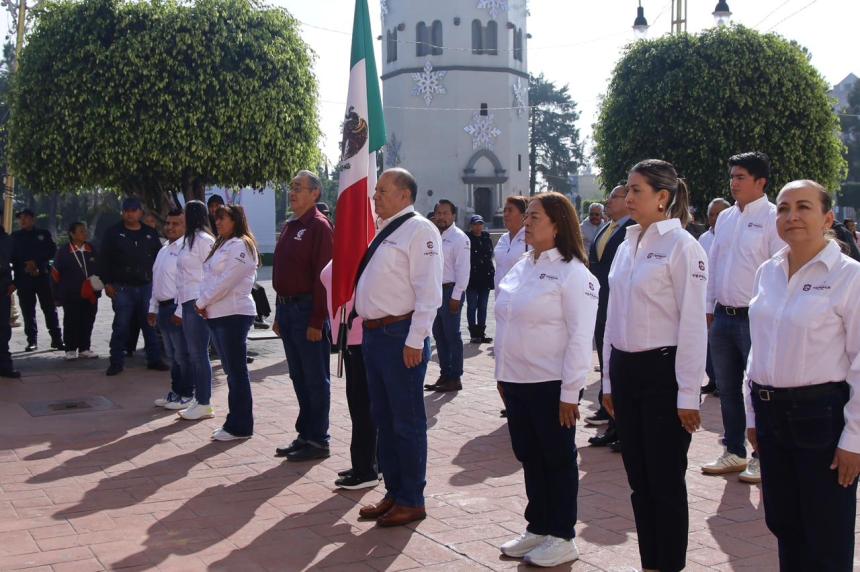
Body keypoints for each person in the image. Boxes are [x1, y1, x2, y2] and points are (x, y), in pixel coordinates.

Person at [744, 180, 860, 572]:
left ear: (827, 217)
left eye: (803, 207)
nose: (791, 216)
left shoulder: (850, 277)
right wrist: (751, 416)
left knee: (825, 533)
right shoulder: (767, 272)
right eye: (782, 208)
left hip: (821, 420)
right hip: (771, 416)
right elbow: (757, 348)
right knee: (785, 525)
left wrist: (854, 439)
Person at [602, 159, 708, 572]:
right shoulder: (627, 244)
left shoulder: (684, 247)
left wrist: (688, 393)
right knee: (639, 480)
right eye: (627, 190)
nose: (627, 198)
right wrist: (609, 380)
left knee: (664, 480)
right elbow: (613, 317)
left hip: (663, 374)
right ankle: (651, 563)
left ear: (663, 197)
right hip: (627, 372)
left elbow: (693, 324)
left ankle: (669, 565)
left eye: (636, 190)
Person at [495, 192, 598, 567]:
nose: (527, 224)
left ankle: (562, 534)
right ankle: (538, 527)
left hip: (551, 383)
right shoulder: (522, 266)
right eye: (527, 218)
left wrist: (571, 392)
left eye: (535, 218)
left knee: (556, 458)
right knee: (529, 454)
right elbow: (505, 323)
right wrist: (501, 375)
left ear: (558, 225)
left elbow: (579, 338)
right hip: (517, 381)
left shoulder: (573, 274)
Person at [354, 168, 442, 528]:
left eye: (382, 190)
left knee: (406, 421)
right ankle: (394, 492)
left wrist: (415, 338)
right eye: (376, 190)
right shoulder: (386, 229)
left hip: (400, 335)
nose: (375, 196)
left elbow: (429, 291)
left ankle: (412, 499)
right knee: (384, 419)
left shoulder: (420, 230)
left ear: (405, 195)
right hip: (375, 336)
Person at [703, 152, 785, 484]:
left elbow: (780, 270)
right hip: (723, 316)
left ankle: (761, 455)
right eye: (732, 177)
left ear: (760, 182)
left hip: (756, 318)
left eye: (740, 177)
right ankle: (734, 450)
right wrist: (709, 306)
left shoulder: (772, 217)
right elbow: (715, 264)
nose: (734, 183)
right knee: (727, 387)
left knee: (758, 387)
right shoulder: (725, 219)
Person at [272, 170, 334, 462]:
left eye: (299, 188)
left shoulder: (319, 227)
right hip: (287, 309)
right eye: (291, 187)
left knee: (314, 377)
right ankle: (305, 433)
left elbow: (324, 279)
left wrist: (317, 320)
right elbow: (281, 272)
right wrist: (277, 312)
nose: (292, 192)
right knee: (298, 376)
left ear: (315, 193)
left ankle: (319, 439)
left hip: (307, 309)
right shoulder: (290, 225)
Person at [198, 205, 259, 441]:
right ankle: (234, 421)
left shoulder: (241, 244)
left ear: (236, 220)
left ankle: (241, 425)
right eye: (216, 219)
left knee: (236, 373)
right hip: (217, 313)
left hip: (234, 313)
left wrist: (202, 301)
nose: (218, 223)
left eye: (222, 218)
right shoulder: (222, 243)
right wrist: (204, 304)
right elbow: (209, 277)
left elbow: (227, 280)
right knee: (231, 372)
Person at [321, 261, 378, 490]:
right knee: (360, 404)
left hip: (359, 335)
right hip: (348, 336)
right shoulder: (345, 249)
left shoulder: (361, 247)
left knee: (362, 405)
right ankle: (370, 462)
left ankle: (365, 469)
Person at [585, 184, 634, 449]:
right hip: (600, 304)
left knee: (615, 366)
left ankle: (619, 428)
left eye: (614, 196)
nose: (609, 201)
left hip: (617, 305)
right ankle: (609, 412)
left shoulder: (632, 230)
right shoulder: (607, 227)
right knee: (606, 364)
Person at [100, 198, 168, 376]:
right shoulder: (113, 233)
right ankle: (116, 362)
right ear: (123, 212)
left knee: (150, 324)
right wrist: (107, 283)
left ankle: (154, 359)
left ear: (140, 212)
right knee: (121, 326)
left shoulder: (150, 233)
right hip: (123, 288)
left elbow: (159, 259)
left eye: (133, 210)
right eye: (127, 210)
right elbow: (103, 260)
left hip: (146, 286)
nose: (130, 213)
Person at [172, 201, 216, 421]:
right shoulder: (188, 241)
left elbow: (213, 272)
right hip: (188, 301)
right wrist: (180, 307)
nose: (182, 220)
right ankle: (199, 399)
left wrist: (205, 302)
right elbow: (181, 277)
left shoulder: (205, 240)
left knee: (199, 353)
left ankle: (205, 402)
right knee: (193, 353)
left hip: (199, 302)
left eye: (184, 216)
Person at [148, 208, 194, 410]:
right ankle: (175, 392)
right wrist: (153, 308)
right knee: (172, 355)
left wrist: (180, 312)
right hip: (164, 309)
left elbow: (188, 284)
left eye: (176, 223)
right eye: (168, 223)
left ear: (186, 226)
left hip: (178, 308)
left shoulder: (187, 250)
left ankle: (187, 394)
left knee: (183, 355)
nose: (170, 227)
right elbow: (156, 282)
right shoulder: (164, 249)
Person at [426, 199, 470, 393]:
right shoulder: (433, 235)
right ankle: (445, 374)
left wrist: (456, 296)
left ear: (453, 216)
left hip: (451, 292)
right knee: (439, 335)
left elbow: (463, 270)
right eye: (439, 213)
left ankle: (455, 377)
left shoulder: (460, 238)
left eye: (445, 213)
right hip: (434, 292)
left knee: (452, 336)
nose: (441, 216)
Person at [10, 209, 63, 352]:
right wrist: (26, 266)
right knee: (28, 311)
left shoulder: (43, 234)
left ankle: (57, 339)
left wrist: (37, 263)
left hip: (43, 277)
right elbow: (11, 256)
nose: (23, 220)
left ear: (33, 219)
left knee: (50, 309)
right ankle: (32, 341)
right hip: (24, 278)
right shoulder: (15, 237)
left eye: (26, 217)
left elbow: (52, 250)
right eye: (20, 218)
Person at [51, 223, 100, 361]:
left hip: (90, 294)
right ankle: (70, 348)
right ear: (72, 234)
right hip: (70, 294)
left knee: (88, 320)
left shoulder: (92, 249)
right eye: (81, 231)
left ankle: (84, 348)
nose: (85, 233)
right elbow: (55, 274)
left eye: (85, 230)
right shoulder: (64, 251)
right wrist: (56, 295)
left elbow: (101, 268)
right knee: (71, 321)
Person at [698, 198, 731, 396]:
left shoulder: (733, 236)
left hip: (727, 299)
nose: (715, 218)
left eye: (719, 213)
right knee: (708, 343)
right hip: (706, 298)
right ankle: (712, 378)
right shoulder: (703, 239)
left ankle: (723, 382)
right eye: (712, 214)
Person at [465, 214, 494, 344]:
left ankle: (481, 333)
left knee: (482, 306)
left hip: (485, 277)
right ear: (471, 225)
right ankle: (473, 334)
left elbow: (490, 255)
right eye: (476, 224)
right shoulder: (466, 238)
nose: (478, 227)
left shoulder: (486, 237)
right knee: (472, 306)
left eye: (480, 224)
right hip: (472, 277)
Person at [494, 195, 529, 289]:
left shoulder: (531, 239)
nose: (505, 214)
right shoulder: (503, 239)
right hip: (500, 298)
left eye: (510, 210)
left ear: (523, 215)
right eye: (504, 210)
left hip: (520, 299)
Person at [0, 218, 20, 378]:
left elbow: (18, 262)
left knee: (3, 329)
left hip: (2, 287)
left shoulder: (8, 240)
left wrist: (15, 282)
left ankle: (5, 366)